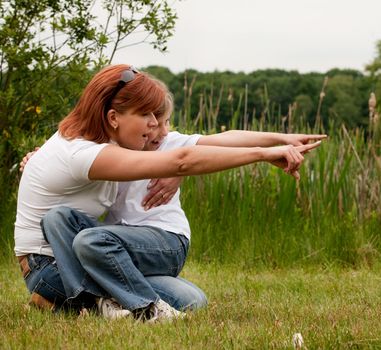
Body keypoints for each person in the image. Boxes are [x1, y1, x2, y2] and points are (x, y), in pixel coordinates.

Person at [15, 64, 325, 321]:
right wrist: (262, 154)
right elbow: (179, 161)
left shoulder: (116, 142)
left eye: (159, 119)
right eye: (147, 118)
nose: (155, 129)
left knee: (189, 297)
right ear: (113, 118)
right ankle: (122, 306)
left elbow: (211, 144)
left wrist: (282, 139)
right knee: (66, 223)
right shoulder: (91, 151)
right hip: (56, 264)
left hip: (144, 243)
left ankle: (88, 302)